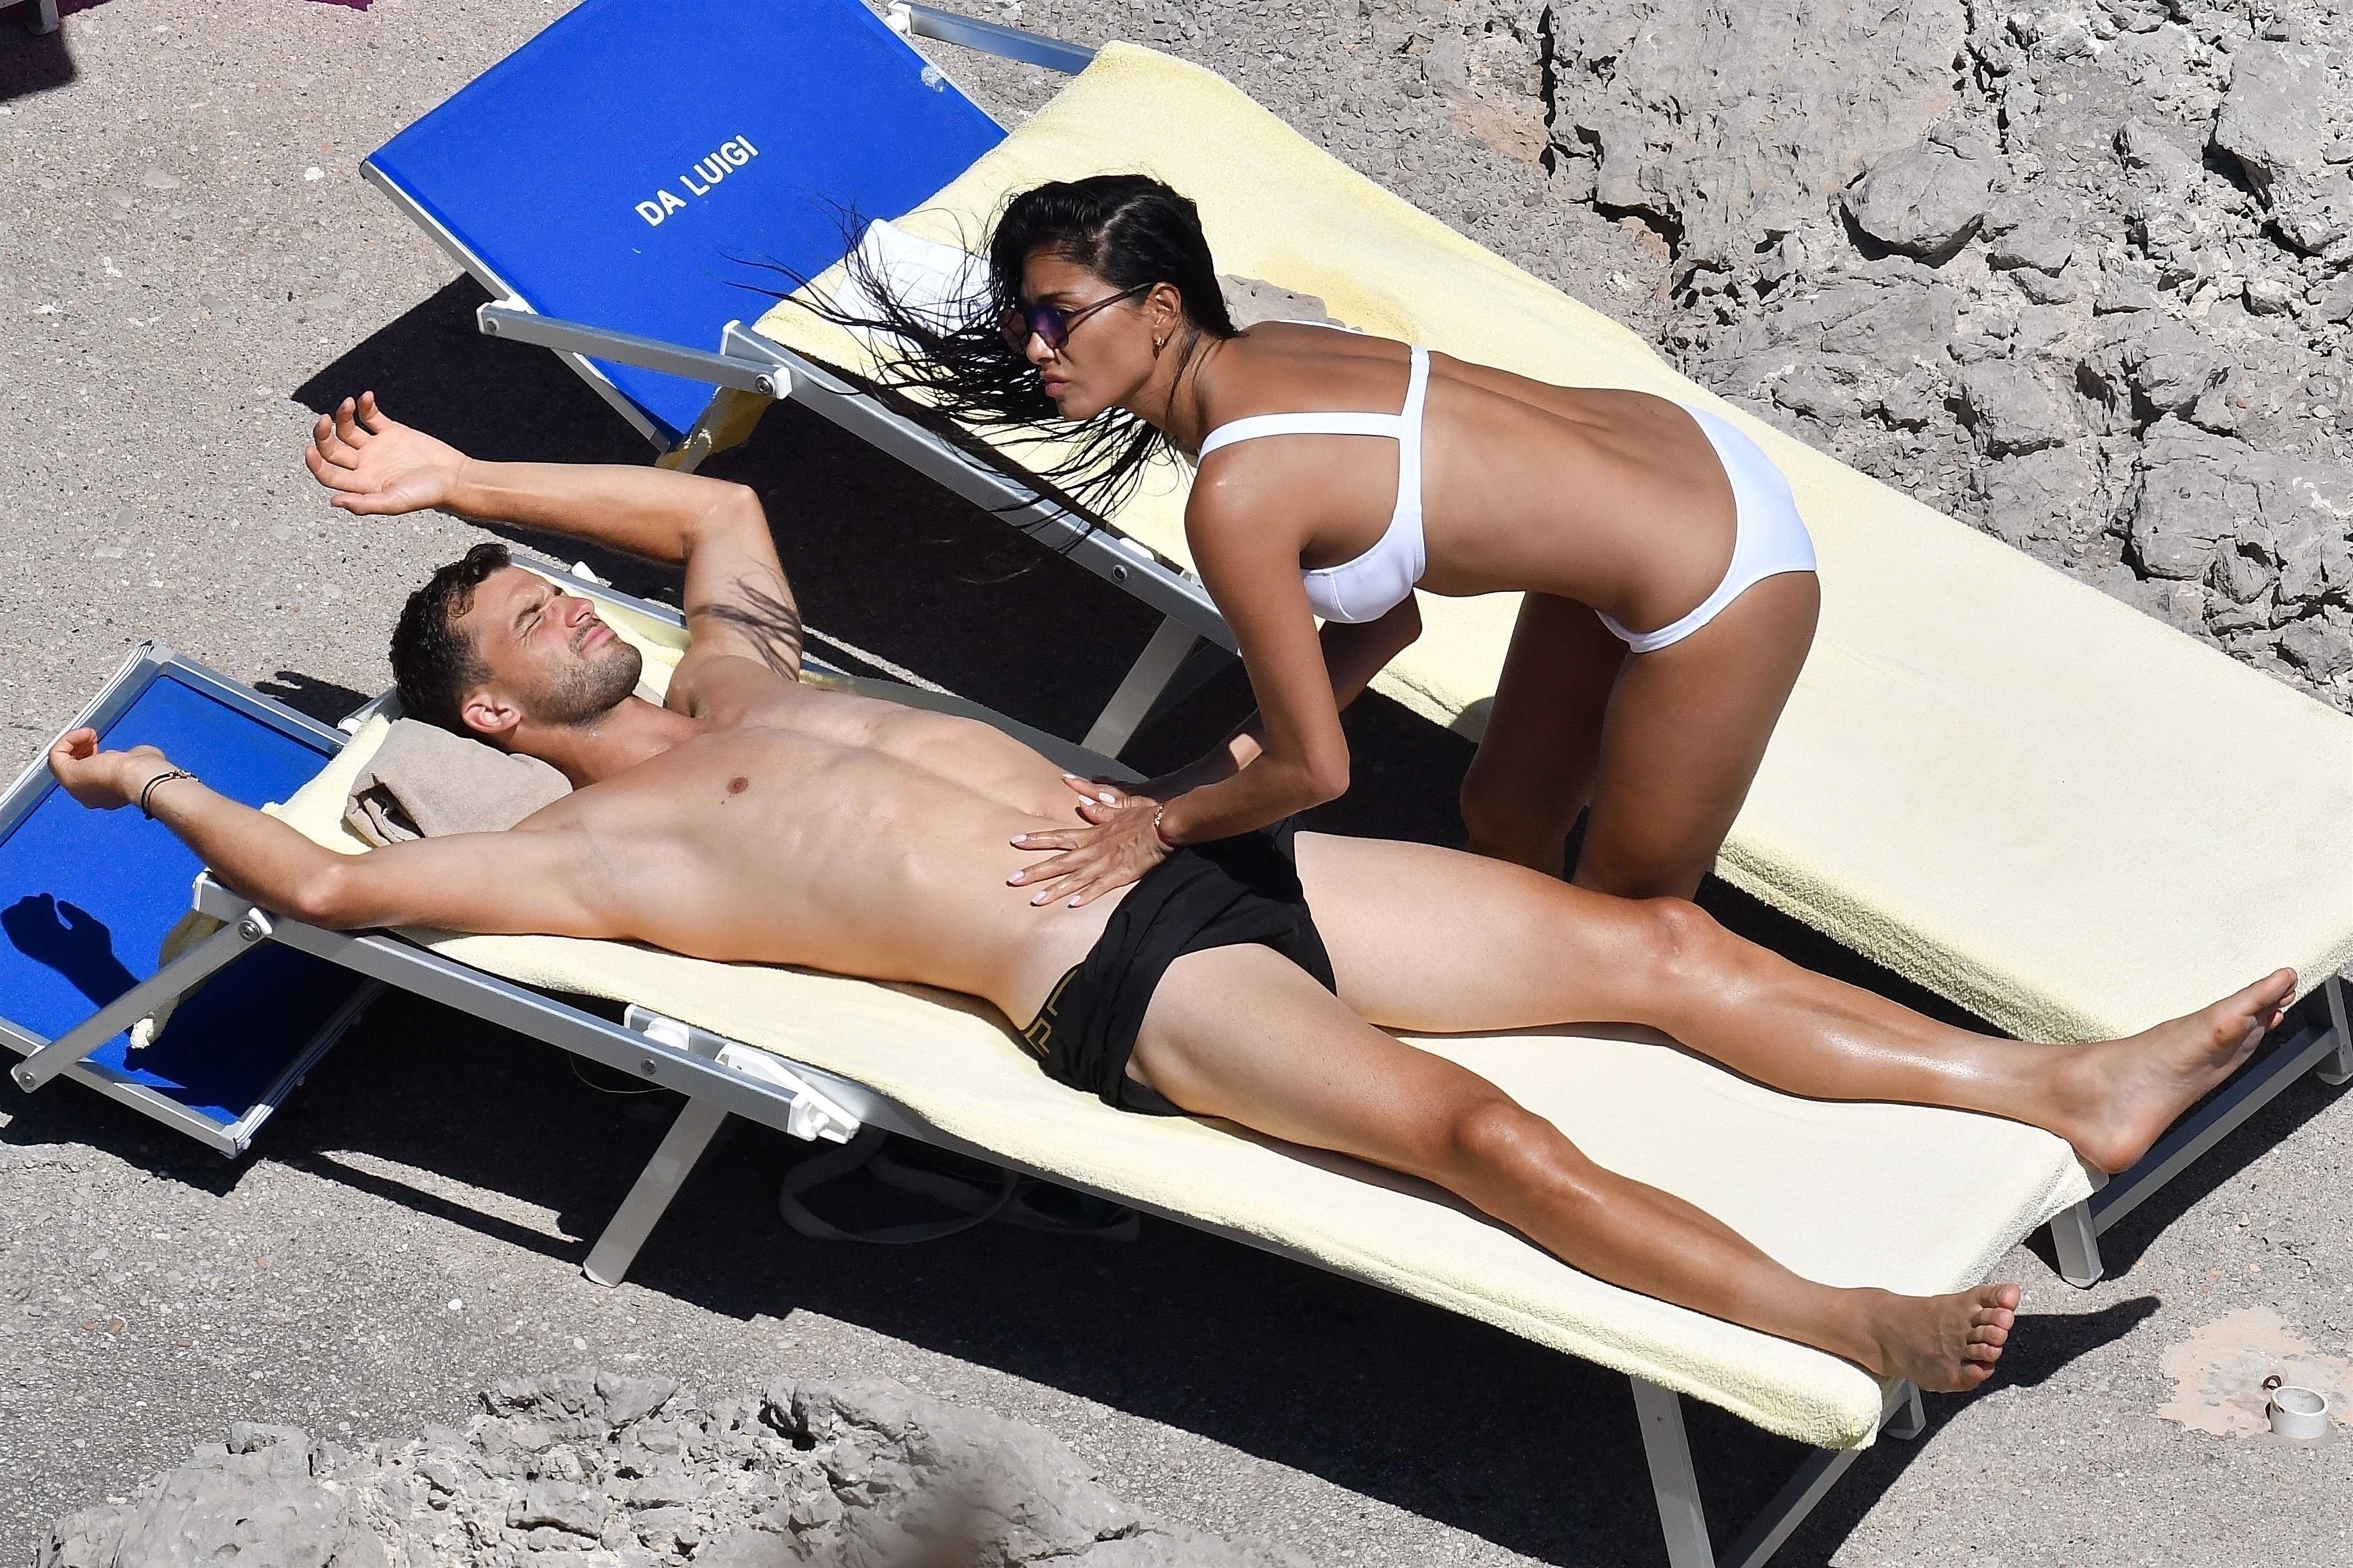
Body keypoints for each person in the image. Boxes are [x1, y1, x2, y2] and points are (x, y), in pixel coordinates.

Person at [51, 393, 2294, 1395]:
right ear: (492, 711)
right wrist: (158, 785)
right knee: (1486, 1135)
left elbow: (709, 515)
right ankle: (1846, 1323)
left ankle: (2065, 1088)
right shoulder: (574, 851)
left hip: (1194, 853)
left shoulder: (739, 659)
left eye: (547, 581)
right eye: (521, 616)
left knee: (1653, 947)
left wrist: (462, 472)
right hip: (1114, 975)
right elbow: (326, 890)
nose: (562, 599)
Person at [826, 175, 1822, 908]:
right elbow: (1385, 625)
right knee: (1506, 814)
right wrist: (1184, 782)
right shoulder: (1269, 346)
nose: (1038, 346)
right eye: (1022, 322)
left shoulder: (1238, 492)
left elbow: (1316, 772)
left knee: (1633, 917)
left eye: (1061, 316)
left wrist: (1158, 828)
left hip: (1726, 571)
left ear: (1162, 309)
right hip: (1664, 462)